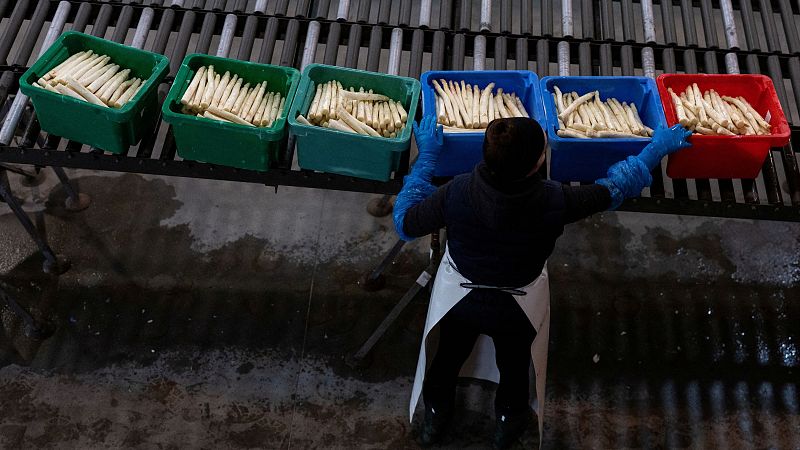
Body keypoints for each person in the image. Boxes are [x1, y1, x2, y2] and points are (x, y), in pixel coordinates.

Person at [394, 115, 692, 449]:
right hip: (517, 309)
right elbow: (614, 188)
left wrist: (427, 159)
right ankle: (505, 432)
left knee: (447, 358)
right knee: (514, 368)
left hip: (461, 303)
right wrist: (655, 150)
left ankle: (434, 422)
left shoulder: (457, 192)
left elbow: (405, 223)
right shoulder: (554, 200)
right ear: (538, 163)